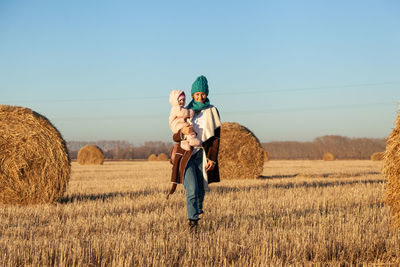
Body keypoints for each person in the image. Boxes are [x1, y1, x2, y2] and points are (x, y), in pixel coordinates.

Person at [168, 75, 221, 231]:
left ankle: (197, 211)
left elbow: (216, 137)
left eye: (203, 94)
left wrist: (212, 158)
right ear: (193, 95)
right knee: (192, 189)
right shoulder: (184, 111)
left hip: (202, 154)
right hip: (186, 154)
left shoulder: (212, 110)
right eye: (197, 94)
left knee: (201, 188)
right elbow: (175, 136)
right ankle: (193, 222)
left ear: (207, 94)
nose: (200, 96)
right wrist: (183, 132)